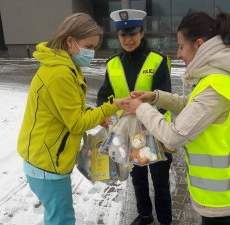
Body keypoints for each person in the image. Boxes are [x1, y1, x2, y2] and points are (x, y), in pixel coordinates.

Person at [122, 11, 230, 225]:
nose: (178, 54)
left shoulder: (215, 87)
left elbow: (173, 135)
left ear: (198, 45)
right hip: (215, 188)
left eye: (181, 46)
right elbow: (190, 106)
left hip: (218, 195)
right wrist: (156, 97)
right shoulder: (214, 78)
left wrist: (140, 108)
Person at [17, 13, 126, 225]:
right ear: (70, 41)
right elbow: (76, 123)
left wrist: (95, 114)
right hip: (47, 164)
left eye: (94, 47)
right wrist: (111, 107)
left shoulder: (64, 67)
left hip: (43, 159)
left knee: (58, 217)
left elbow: (68, 108)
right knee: (62, 220)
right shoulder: (60, 74)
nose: (91, 53)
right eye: (89, 46)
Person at [96, 9, 173, 225]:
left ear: (142, 33)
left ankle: (165, 221)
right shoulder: (112, 63)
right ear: (118, 36)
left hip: (154, 130)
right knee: (137, 179)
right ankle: (145, 215)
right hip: (128, 133)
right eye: (123, 35)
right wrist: (102, 112)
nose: (128, 40)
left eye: (132, 34)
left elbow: (165, 97)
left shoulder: (157, 60)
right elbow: (104, 95)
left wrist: (147, 117)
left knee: (160, 181)